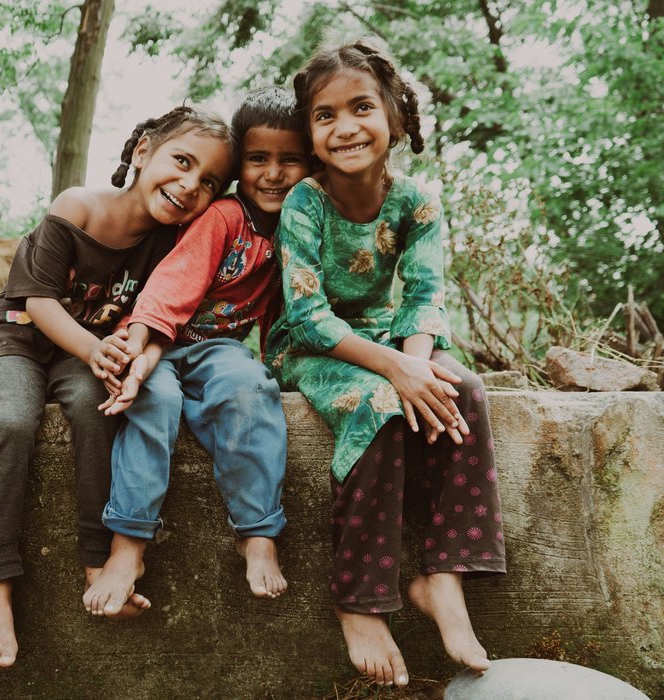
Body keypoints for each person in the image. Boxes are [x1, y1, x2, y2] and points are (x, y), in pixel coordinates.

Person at [265, 38, 506, 687]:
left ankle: (442, 579)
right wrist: (394, 373)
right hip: (312, 346)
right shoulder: (304, 203)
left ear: (394, 116)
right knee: (378, 408)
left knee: (462, 389)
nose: (344, 126)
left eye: (361, 107)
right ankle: (361, 599)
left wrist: (419, 367)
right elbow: (308, 315)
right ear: (310, 134)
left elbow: (425, 297)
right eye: (324, 115)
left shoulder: (416, 202)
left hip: (387, 338)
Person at [0, 106, 235, 673]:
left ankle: (100, 560)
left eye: (208, 182)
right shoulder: (78, 205)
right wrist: (94, 350)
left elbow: (165, 322)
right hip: (19, 335)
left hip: (86, 353)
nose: (190, 185)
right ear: (143, 152)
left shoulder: (175, 245)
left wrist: (133, 360)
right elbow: (38, 302)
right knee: (11, 422)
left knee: (97, 409)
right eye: (182, 162)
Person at [82, 87, 312, 618]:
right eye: (258, 160)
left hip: (217, 350)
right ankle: (128, 546)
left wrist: (282, 369)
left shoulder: (299, 228)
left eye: (289, 161)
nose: (273, 174)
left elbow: (285, 309)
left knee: (250, 387)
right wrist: (139, 345)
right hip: (157, 339)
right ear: (238, 170)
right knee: (152, 401)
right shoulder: (226, 216)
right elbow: (172, 286)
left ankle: (257, 533)